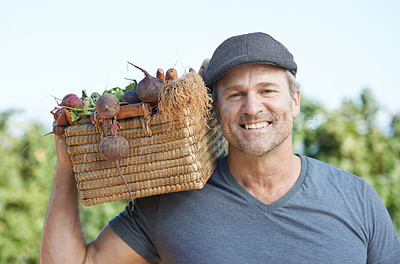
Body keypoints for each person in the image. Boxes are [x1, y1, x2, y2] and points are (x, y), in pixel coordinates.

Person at [40, 32, 400, 263]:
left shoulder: (357, 199)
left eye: (267, 90)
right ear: (213, 108)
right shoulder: (170, 201)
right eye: (235, 94)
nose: (252, 107)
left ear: (295, 101)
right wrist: (66, 169)